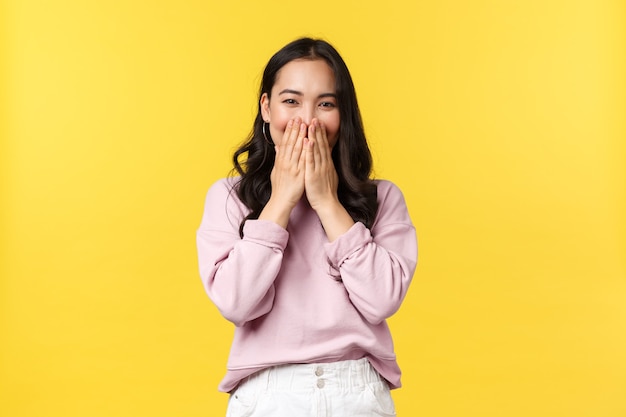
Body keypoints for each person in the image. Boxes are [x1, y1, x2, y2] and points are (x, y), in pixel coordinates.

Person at [196, 37, 417, 417]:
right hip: (267, 394)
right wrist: (281, 201)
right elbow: (235, 303)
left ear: (342, 114)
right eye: (291, 101)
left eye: (326, 104)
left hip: (358, 392)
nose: (308, 120)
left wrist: (327, 202)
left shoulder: (383, 198)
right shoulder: (229, 197)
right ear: (266, 107)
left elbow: (383, 300)